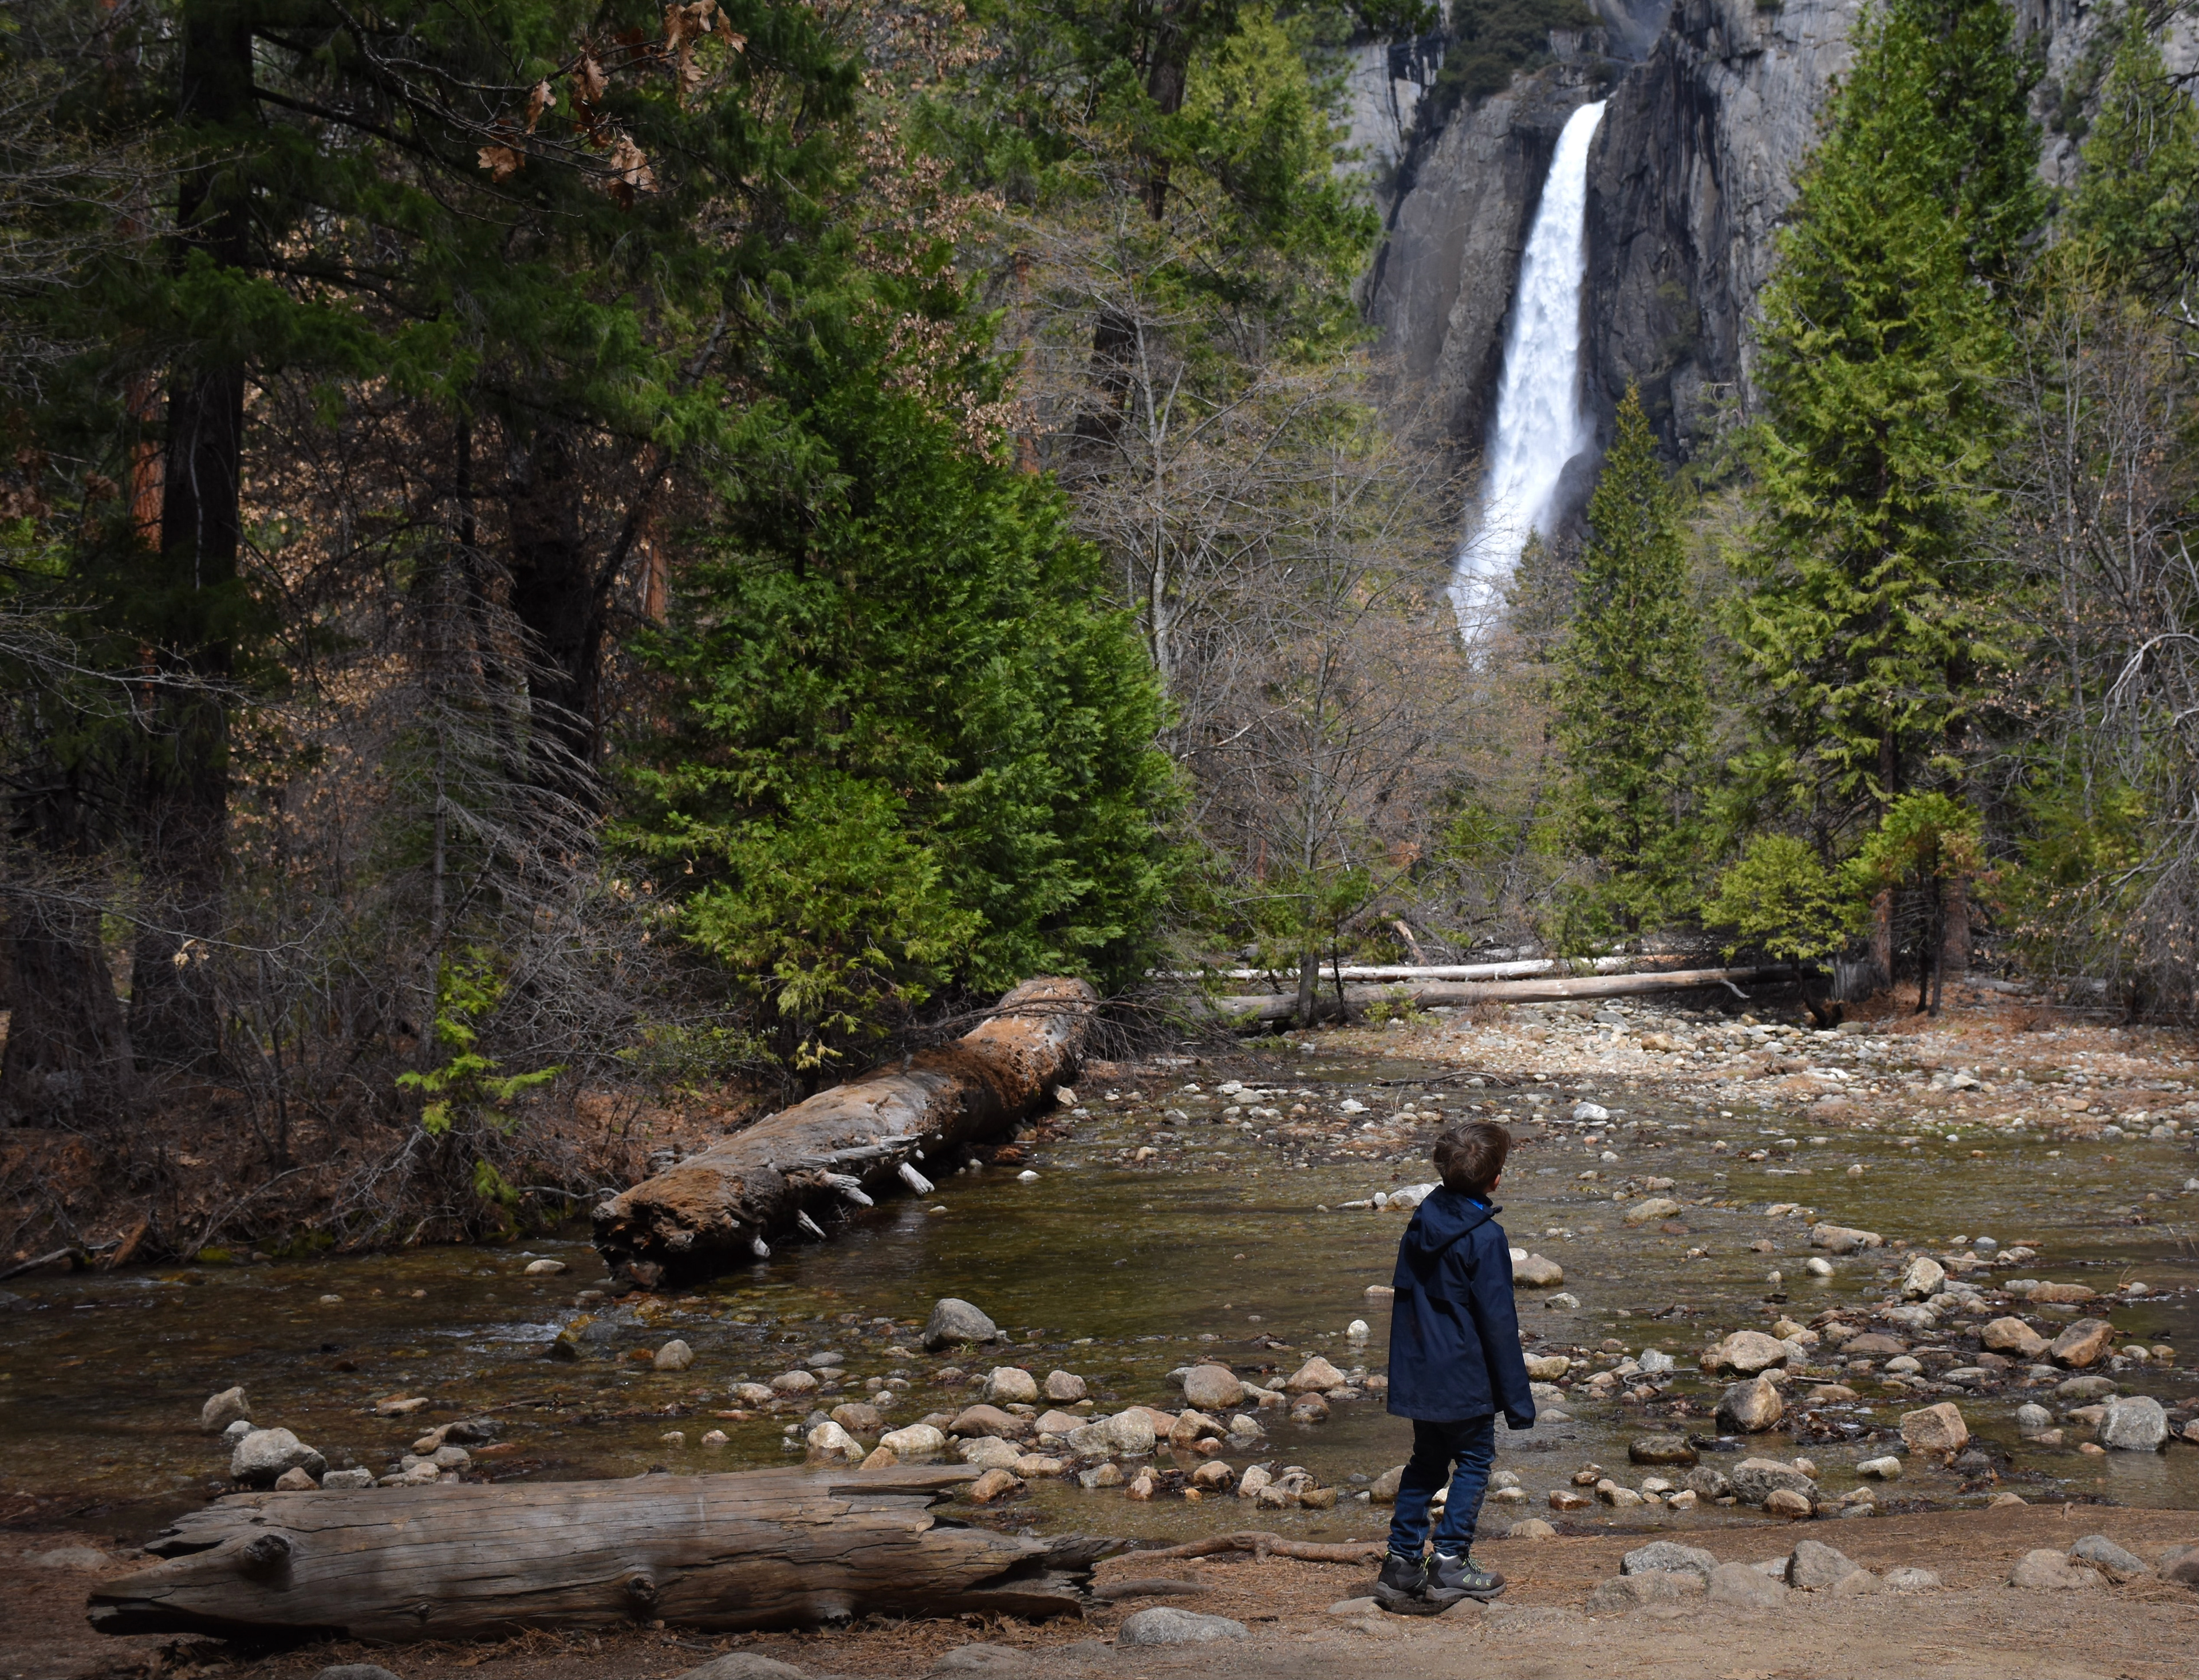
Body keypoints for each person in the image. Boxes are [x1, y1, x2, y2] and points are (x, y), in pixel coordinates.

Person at [1374, 1118, 1534, 1613]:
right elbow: (1498, 1324)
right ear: (1497, 1179)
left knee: (1425, 1462)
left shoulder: (1423, 1219)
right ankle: (1449, 1560)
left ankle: (1401, 1564)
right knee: (1474, 1462)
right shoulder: (1485, 1239)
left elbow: (1409, 1297)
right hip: (1464, 1375)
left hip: (1422, 1368)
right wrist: (1518, 1399)